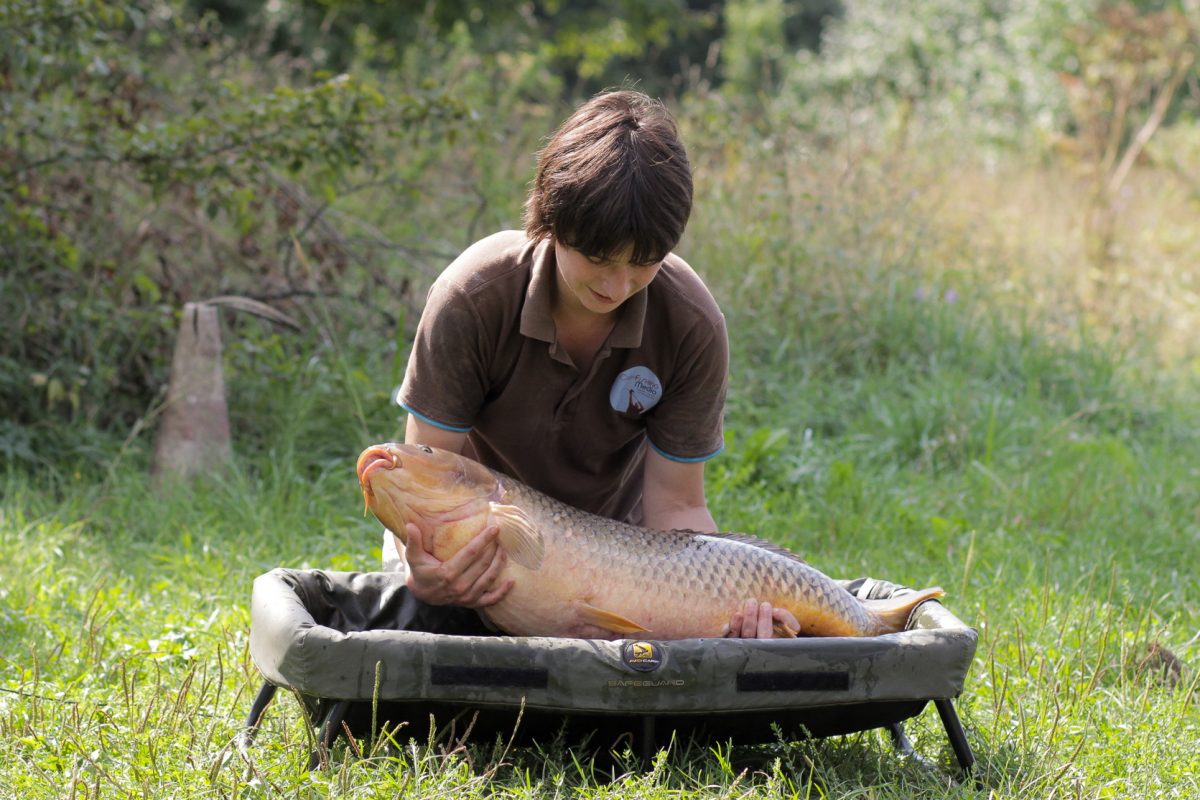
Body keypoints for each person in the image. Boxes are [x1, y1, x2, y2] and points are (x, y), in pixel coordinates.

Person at [390, 90, 798, 639]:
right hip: (482, 553)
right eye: (599, 259)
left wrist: (732, 607)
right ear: (552, 219)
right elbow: (427, 475)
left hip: (622, 569)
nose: (617, 286)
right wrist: (423, 568)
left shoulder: (691, 322)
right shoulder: (474, 295)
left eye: (643, 264)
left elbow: (677, 508)